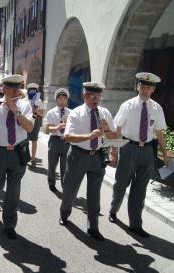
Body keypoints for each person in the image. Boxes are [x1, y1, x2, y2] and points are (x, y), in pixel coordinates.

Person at [109, 72, 169, 238]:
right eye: (142, 86)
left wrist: (164, 152)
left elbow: (159, 132)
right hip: (128, 148)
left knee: (140, 189)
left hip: (147, 151)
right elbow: (117, 129)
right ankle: (113, 210)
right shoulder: (127, 105)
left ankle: (135, 224)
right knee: (121, 183)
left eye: (148, 87)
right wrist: (113, 150)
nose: (144, 89)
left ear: (153, 90)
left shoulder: (157, 108)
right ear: (137, 87)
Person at [59, 81, 117, 241]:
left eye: (98, 95)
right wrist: (89, 136)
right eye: (92, 95)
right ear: (85, 96)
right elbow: (67, 137)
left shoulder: (104, 112)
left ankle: (93, 227)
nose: (95, 99)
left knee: (94, 194)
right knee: (70, 189)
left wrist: (107, 131)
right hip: (78, 155)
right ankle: (64, 213)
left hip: (97, 157)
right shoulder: (76, 113)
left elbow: (114, 137)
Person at [0, 74, 34, 239]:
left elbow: (29, 128)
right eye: (12, 88)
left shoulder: (24, 105)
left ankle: (10, 223)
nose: (16, 90)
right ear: (4, 89)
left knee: (13, 191)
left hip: (18, 152)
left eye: (18, 88)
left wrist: (14, 109)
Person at [45, 88, 71, 192]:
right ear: (56, 100)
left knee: (65, 166)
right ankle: (51, 183)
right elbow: (48, 128)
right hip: (54, 140)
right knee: (52, 164)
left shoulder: (72, 112)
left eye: (64, 99)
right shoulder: (51, 112)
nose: (62, 101)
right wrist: (57, 127)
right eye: (60, 98)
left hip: (66, 141)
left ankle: (65, 186)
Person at [26, 83, 46, 167]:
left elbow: (43, 114)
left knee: (34, 140)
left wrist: (36, 111)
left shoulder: (39, 101)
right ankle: (26, 157)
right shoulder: (25, 100)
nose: (32, 92)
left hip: (36, 120)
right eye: (31, 90)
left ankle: (33, 159)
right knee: (25, 140)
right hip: (26, 120)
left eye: (34, 90)